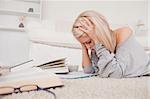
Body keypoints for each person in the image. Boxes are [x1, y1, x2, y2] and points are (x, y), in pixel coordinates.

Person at [71, 10, 150, 78]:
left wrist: (96, 40)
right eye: (84, 44)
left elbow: (115, 73)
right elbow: (90, 70)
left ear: (99, 33)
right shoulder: (97, 46)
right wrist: (83, 46)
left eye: (88, 42)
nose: (88, 47)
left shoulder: (123, 34)